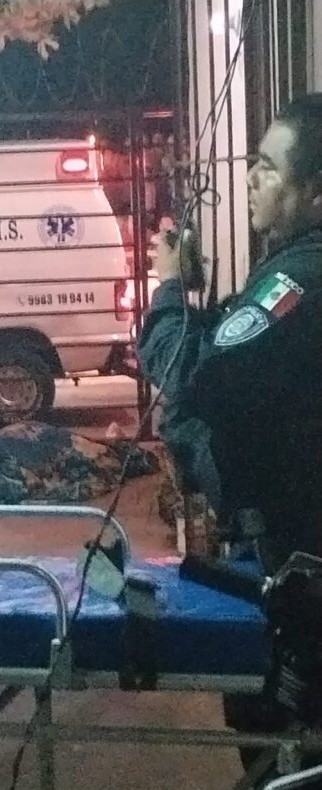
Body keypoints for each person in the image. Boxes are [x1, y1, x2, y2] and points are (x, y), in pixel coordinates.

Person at [139, 93, 322, 574]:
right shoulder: (296, 262)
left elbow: (190, 370)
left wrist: (170, 287)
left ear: (316, 191)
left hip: (298, 547)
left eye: (269, 168)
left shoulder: (301, 278)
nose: (250, 178)